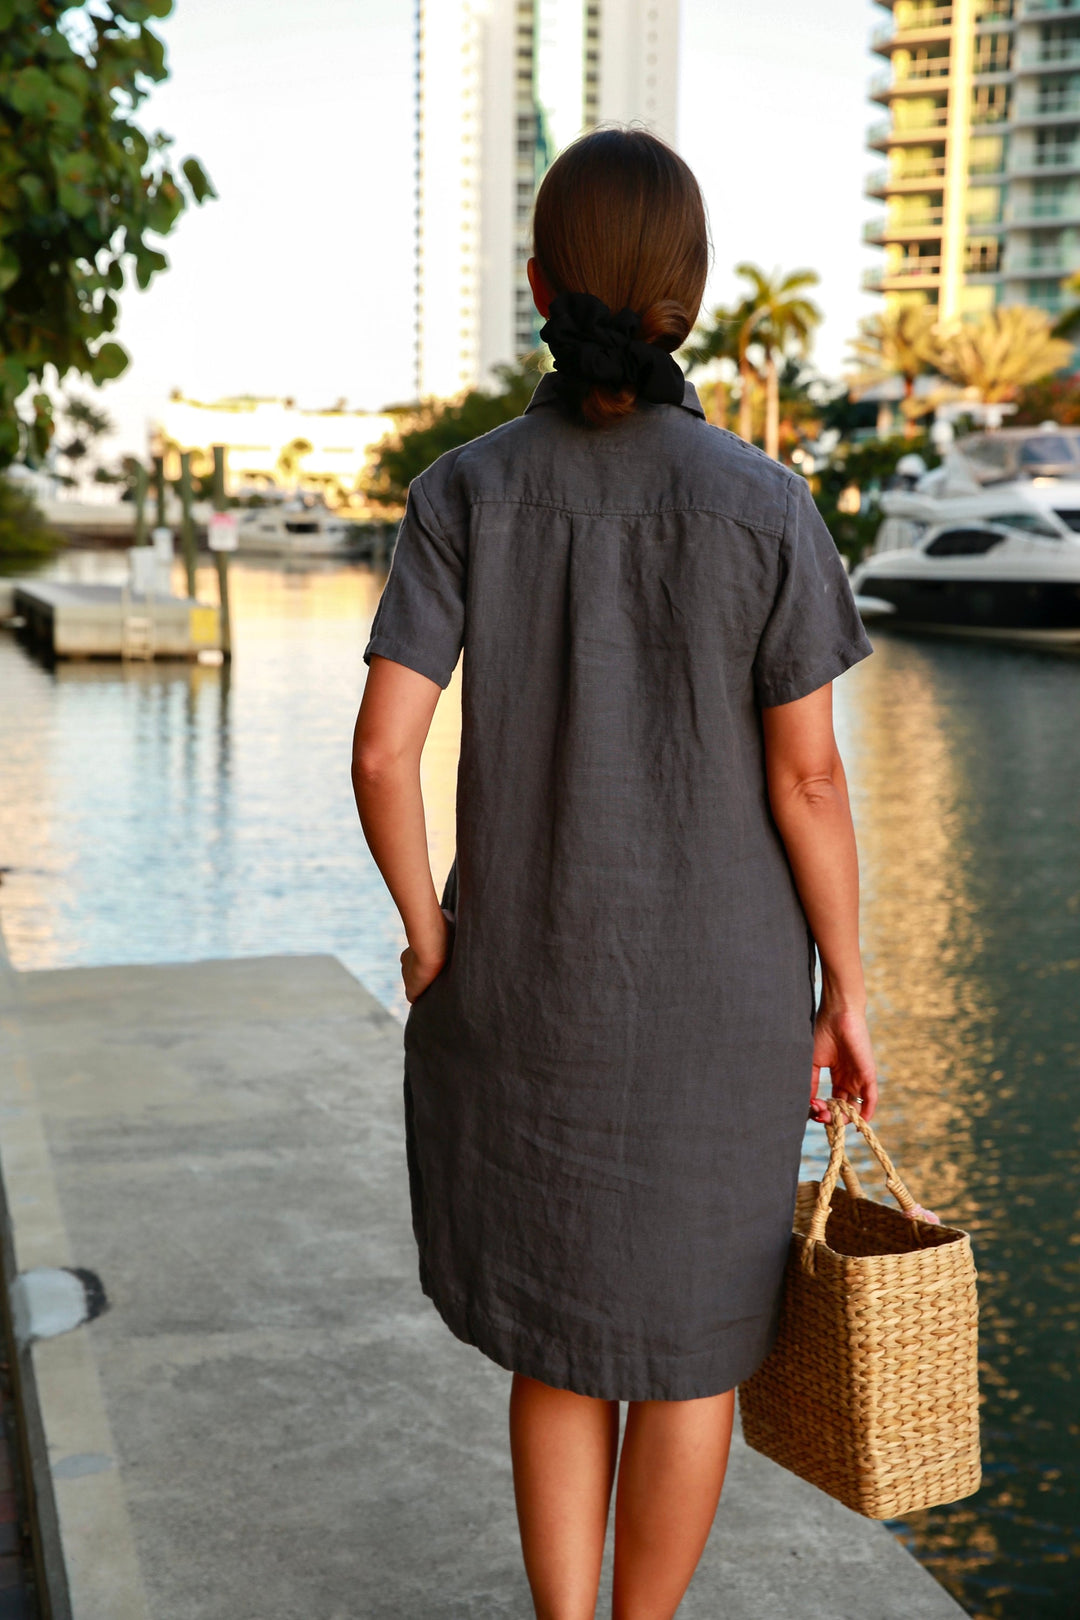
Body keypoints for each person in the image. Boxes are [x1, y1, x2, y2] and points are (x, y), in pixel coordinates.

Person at [352, 128, 877, 1620]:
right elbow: (811, 780)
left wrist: (426, 932)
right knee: (688, 1355)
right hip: (722, 1012)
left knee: (560, 1347)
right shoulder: (767, 509)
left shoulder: (462, 493)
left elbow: (385, 755)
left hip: (525, 985)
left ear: (537, 287)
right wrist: (847, 990)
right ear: (691, 305)